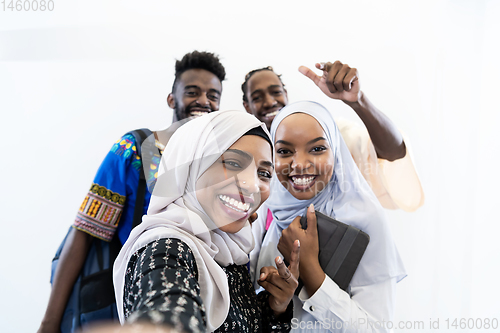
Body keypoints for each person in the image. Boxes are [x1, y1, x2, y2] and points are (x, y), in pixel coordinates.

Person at [38, 51, 226, 333]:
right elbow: (86, 230)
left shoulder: (219, 162)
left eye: (213, 95)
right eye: (192, 91)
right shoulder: (135, 150)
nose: (203, 101)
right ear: (171, 99)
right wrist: (49, 324)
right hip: (128, 303)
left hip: (197, 308)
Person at [113, 110, 300, 332]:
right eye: (233, 163)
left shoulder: (224, 248)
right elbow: (167, 312)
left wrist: (275, 307)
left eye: (264, 173)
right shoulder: (166, 249)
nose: (252, 185)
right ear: (189, 166)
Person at [249, 101, 406, 333]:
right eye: (283, 151)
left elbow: (376, 329)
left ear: (336, 151)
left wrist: (312, 273)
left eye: (317, 149)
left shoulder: (363, 217)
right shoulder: (269, 206)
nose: (299, 164)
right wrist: (277, 305)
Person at [241, 62, 424, 212]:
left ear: (286, 94)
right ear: (247, 106)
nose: (270, 101)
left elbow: (393, 153)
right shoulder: (245, 154)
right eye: (257, 97)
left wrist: (358, 101)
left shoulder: (329, 132)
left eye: (317, 149)